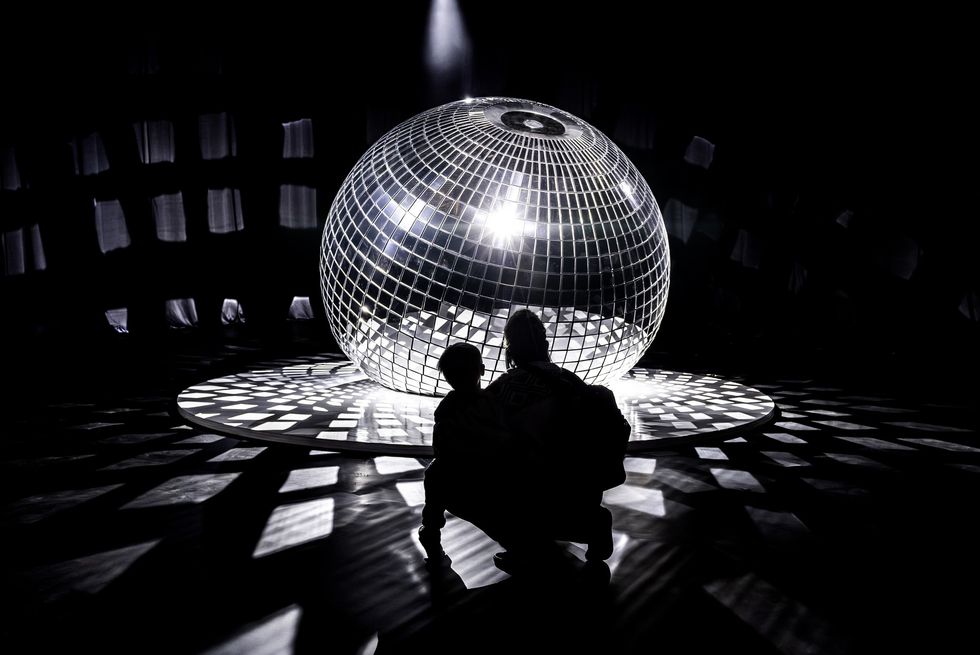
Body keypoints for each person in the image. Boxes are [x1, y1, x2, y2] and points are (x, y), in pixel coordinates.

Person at [485, 308, 629, 571]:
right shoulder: (570, 381)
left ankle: (523, 545)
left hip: (535, 492)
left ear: (510, 349)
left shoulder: (504, 389)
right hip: (583, 488)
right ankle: (589, 523)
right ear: (545, 344)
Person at [418, 342, 514, 563]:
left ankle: (431, 530)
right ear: (481, 369)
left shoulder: (446, 408)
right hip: (491, 475)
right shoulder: (493, 401)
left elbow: (439, 449)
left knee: (433, 475)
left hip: (457, 476)